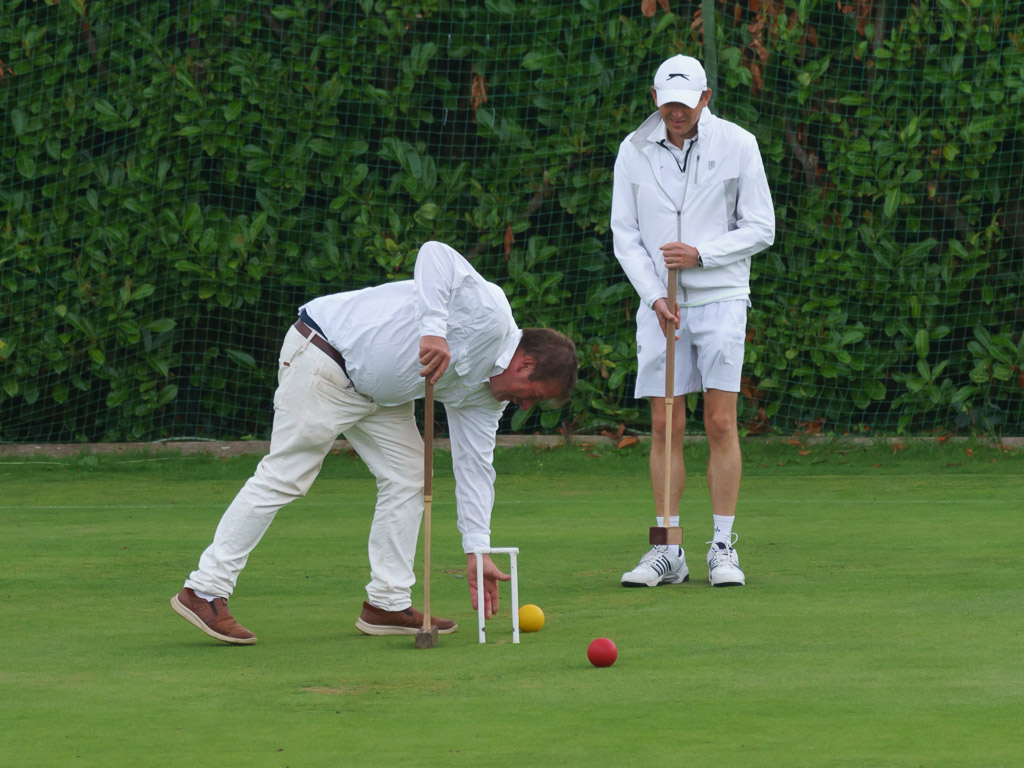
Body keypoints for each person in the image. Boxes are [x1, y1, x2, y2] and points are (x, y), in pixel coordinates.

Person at [170, 241, 578, 644]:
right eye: (532, 395)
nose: (524, 405)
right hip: (326, 358)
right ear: (525, 363)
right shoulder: (490, 310)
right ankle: (204, 590)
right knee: (286, 476)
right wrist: (435, 329)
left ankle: (387, 601)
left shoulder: (488, 399)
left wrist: (478, 550)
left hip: (380, 397)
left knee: (410, 477)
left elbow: (474, 468)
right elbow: (436, 253)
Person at [610, 54, 775, 588]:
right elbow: (626, 236)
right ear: (654, 99)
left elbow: (761, 228)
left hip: (722, 296)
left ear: (705, 99)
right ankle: (668, 549)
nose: (675, 114)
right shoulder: (632, 151)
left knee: (721, 422)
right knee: (664, 424)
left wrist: (701, 254)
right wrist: (655, 294)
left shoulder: (739, 144)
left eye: (686, 104)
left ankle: (722, 546)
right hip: (661, 306)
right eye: (667, 104)